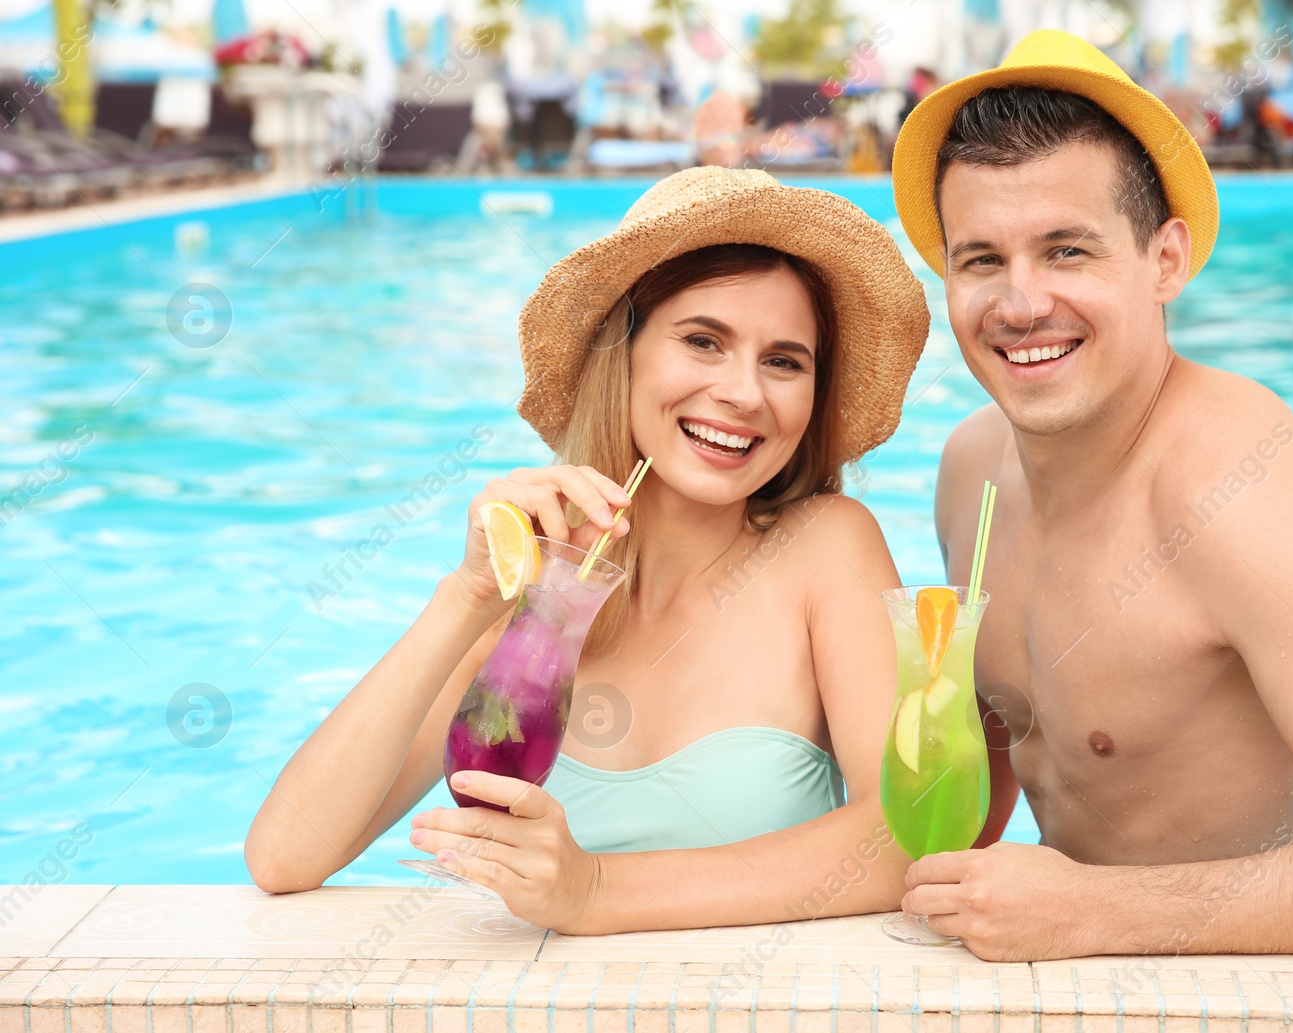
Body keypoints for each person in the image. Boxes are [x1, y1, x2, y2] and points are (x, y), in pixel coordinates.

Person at [889, 31, 1293, 961]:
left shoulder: (1241, 485)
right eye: (981, 260)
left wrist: (1095, 913)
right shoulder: (970, 469)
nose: (1020, 304)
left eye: (1067, 250)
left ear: (1166, 260)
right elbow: (977, 794)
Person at [245, 167, 932, 934]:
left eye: (784, 360)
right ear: (624, 352)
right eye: (704, 341)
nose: (745, 392)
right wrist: (467, 595)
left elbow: (905, 838)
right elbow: (285, 855)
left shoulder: (826, 546)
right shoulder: (542, 570)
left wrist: (596, 890)